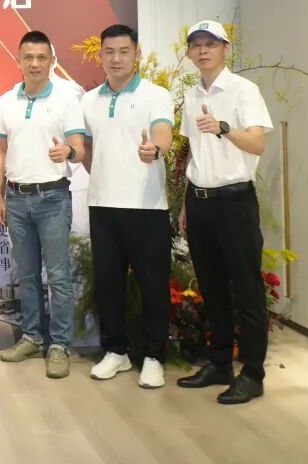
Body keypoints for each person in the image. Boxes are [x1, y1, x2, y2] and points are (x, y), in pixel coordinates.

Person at [175, 20, 273, 405]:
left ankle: (253, 373)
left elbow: (257, 144)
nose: (203, 50)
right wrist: (187, 203)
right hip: (200, 203)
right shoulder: (190, 95)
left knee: (247, 290)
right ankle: (219, 363)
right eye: (196, 45)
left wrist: (223, 127)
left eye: (210, 44)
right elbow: (194, 155)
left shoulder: (243, 90)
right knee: (212, 289)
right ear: (189, 52)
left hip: (235, 203)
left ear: (225, 48)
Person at [80, 24, 174, 388]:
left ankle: (153, 357)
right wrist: (105, 175)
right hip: (103, 204)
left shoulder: (156, 95)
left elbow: (163, 133)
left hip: (146, 207)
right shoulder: (89, 100)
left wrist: (155, 150)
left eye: (123, 51)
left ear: (137, 54)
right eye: (109, 52)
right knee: (108, 285)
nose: (116, 58)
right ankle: (115, 352)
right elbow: (88, 149)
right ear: (100, 55)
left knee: (153, 285)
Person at [0, 30, 86, 379]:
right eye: (28, 58)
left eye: (41, 58)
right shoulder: (6, 101)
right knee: (27, 274)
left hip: (52, 197)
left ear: (51, 61)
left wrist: (69, 152)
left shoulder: (66, 99)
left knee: (58, 276)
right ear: (18, 60)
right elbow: (0, 151)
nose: (34, 64)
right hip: (16, 198)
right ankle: (31, 337)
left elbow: (80, 148)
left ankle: (59, 344)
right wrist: (1, 197)